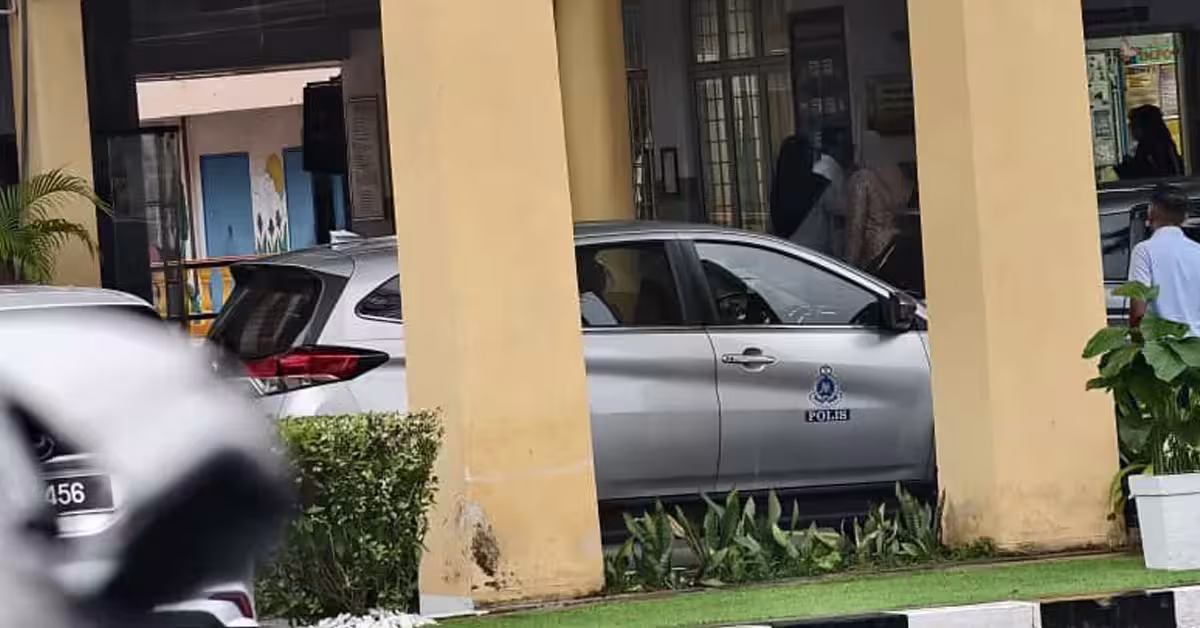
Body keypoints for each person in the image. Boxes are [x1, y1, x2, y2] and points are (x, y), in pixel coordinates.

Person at [1128, 186, 1200, 336]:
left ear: (1151, 212)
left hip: (1161, 346)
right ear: (1185, 217)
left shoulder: (1144, 251)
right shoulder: (1197, 251)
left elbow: (1138, 310)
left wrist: (1137, 343)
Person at [844, 154, 913, 270]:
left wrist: (848, 268)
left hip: (875, 252)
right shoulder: (881, 178)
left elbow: (855, 228)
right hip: (890, 245)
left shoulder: (859, 179)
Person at [791, 128, 849, 256]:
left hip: (791, 253)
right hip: (816, 252)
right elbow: (841, 208)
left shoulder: (785, 187)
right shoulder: (819, 179)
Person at [769, 134, 828, 241]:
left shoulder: (778, 187)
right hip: (814, 250)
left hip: (785, 248)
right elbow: (843, 208)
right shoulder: (818, 185)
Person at [1117, 105, 1184, 181]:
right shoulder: (1145, 147)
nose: (1131, 129)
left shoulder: (1159, 148)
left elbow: (1158, 175)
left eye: (1134, 125)